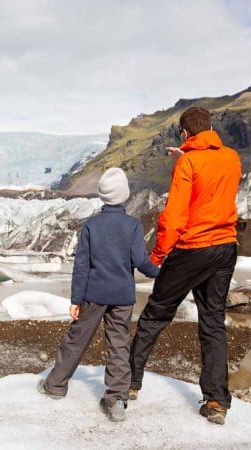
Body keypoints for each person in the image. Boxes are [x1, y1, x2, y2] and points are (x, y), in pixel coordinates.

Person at [128, 106, 242, 425]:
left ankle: (129, 382)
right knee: (212, 322)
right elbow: (213, 176)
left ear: (184, 133)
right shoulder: (231, 157)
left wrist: (158, 254)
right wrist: (188, 151)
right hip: (225, 247)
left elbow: (175, 215)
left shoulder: (187, 162)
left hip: (193, 248)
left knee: (155, 314)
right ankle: (217, 401)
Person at [37, 167, 160, 422]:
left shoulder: (91, 225)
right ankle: (116, 400)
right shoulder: (133, 226)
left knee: (77, 339)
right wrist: (160, 272)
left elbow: (81, 265)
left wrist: (75, 300)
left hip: (94, 294)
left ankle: (56, 385)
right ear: (125, 195)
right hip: (123, 297)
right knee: (118, 346)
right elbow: (140, 261)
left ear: (102, 195)